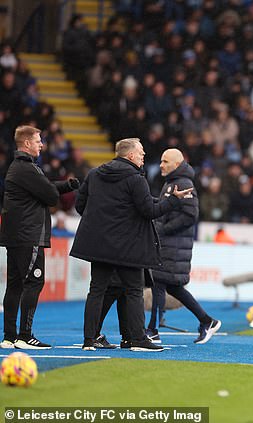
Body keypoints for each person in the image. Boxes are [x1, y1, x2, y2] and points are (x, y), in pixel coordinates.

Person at [70, 138, 193, 352]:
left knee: (96, 290)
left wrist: (102, 224)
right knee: (134, 290)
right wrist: (173, 201)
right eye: (141, 152)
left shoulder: (94, 174)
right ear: (130, 156)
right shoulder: (135, 179)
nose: (144, 156)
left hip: (99, 245)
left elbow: (81, 205)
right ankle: (137, 339)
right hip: (127, 246)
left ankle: (89, 339)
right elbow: (149, 211)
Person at [0, 125, 80, 349]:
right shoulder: (28, 168)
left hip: (16, 236)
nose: (42, 145)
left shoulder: (18, 167)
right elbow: (49, 195)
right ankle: (25, 336)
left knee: (15, 285)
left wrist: (66, 185)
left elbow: (44, 188)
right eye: (38, 141)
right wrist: (58, 190)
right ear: (26, 143)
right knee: (33, 282)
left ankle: (9, 337)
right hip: (29, 235)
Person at [146, 149, 222, 345]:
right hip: (173, 246)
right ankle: (207, 321)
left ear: (177, 164)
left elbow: (190, 216)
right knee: (173, 287)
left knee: (159, 283)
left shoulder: (183, 184)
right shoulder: (173, 182)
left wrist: (163, 229)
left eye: (165, 161)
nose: (161, 165)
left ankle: (152, 330)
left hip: (174, 245)